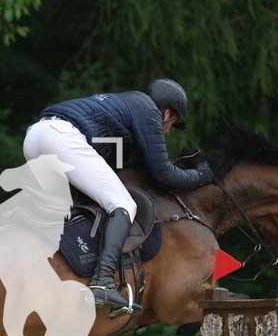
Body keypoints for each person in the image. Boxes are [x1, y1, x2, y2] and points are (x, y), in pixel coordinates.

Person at [22, 78, 213, 313]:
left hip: (35, 137)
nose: (167, 131)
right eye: (172, 123)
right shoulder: (148, 111)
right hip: (61, 139)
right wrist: (200, 175)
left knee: (81, 205)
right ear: (166, 113)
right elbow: (164, 174)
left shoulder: (126, 107)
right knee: (123, 205)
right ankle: (103, 281)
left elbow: (117, 165)